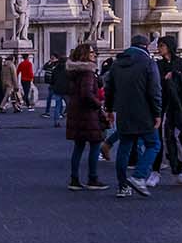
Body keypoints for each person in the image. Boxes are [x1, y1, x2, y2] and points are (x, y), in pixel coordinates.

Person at [105, 34, 163, 198]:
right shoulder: (148, 62)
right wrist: (157, 112)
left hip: (123, 111)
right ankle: (139, 175)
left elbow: (109, 88)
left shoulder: (117, 63)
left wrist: (109, 109)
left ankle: (122, 186)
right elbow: (155, 90)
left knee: (124, 147)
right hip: (144, 111)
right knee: (153, 144)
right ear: (146, 46)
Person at [154, 36, 182, 188]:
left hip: (178, 106)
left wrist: (176, 77)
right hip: (162, 105)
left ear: (169, 47)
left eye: (161, 45)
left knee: (179, 139)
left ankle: (178, 171)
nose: (159, 48)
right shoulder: (158, 64)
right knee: (161, 138)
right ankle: (156, 171)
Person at [63, 43, 107, 190]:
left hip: (76, 112)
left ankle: (74, 179)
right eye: (92, 52)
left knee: (79, 146)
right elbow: (87, 94)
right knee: (95, 144)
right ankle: (92, 178)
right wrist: (98, 104)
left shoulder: (74, 72)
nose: (94, 55)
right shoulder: (88, 73)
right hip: (88, 114)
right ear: (85, 55)